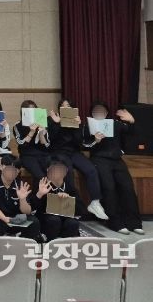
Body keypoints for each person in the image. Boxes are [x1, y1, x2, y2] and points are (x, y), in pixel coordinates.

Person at [83, 102, 144, 235]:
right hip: (99, 160)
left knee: (128, 188)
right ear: (92, 113)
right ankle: (115, 223)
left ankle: (135, 223)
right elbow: (84, 145)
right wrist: (95, 140)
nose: (99, 113)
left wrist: (132, 121)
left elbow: (132, 133)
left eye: (102, 111)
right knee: (109, 188)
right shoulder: (88, 125)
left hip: (117, 160)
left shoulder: (115, 123)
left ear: (106, 113)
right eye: (96, 111)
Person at [48, 98, 108, 220]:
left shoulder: (76, 120)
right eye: (63, 106)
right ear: (59, 108)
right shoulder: (52, 119)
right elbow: (50, 141)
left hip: (74, 152)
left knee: (91, 169)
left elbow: (79, 143)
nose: (66, 108)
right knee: (68, 172)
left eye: (69, 106)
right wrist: (57, 123)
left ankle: (95, 202)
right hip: (58, 152)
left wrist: (77, 126)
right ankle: (70, 209)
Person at [0, 154, 41, 240]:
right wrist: (5, 219)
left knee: (34, 221)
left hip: (17, 219)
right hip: (0, 217)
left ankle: (23, 242)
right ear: (1, 167)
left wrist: (22, 199)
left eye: (15, 170)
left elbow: (27, 211)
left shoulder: (21, 184)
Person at [31, 155, 83, 240]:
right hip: (46, 220)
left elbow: (81, 210)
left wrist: (68, 199)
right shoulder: (41, 184)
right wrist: (40, 194)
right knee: (54, 220)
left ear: (66, 171)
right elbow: (32, 208)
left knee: (73, 223)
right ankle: (47, 240)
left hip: (64, 220)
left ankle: (64, 243)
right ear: (48, 170)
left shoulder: (70, 187)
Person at [13, 100, 50, 184]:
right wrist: (31, 132)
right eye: (29, 110)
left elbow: (46, 146)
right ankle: (38, 192)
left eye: (34, 110)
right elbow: (21, 144)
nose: (32, 113)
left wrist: (41, 132)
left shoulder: (41, 123)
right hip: (27, 155)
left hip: (42, 155)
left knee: (51, 174)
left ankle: (38, 192)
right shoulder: (18, 125)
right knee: (41, 177)